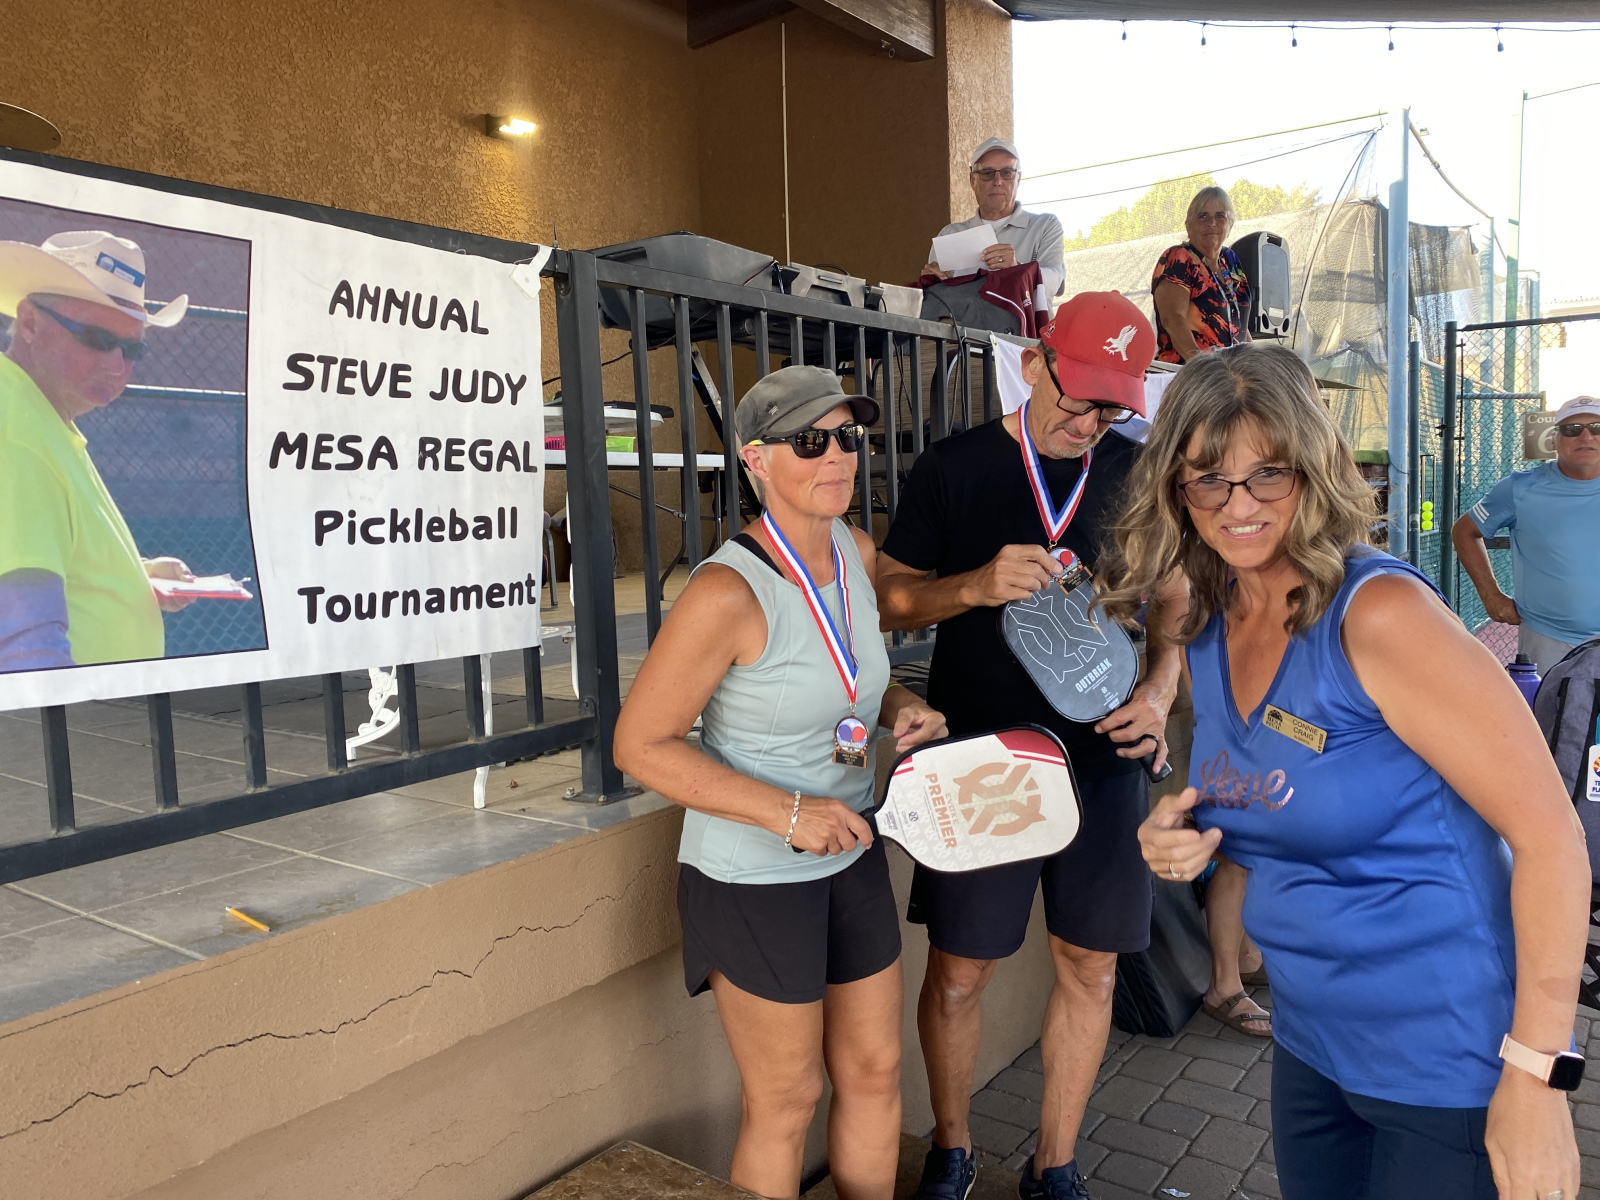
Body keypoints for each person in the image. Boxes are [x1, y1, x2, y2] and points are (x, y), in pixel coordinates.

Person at [1107, 343, 1588, 1200]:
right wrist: (1182, 834)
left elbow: (1552, 838)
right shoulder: (1212, 620)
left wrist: (1536, 1073)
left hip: (1449, 1055)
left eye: (1268, 473)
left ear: (1315, 467)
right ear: (1176, 487)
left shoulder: (1380, 614)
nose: (1238, 504)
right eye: (1208, 478)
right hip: (1312, 1042)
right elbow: (1268, 791)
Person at [614, 365, 948, 1200]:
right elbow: (639, 745)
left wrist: (898, 707)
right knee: (787, 1099)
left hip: (851, 851)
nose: (836, 455)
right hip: (755, 874)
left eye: (847, 437)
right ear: (755, 460)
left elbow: (847, 680)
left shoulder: (855, 551)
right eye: (809, 440)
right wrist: (787, 811)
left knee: (874, 1070)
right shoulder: (726, 590)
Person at [877, 292, 1181, 1200]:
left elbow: (1177, 600)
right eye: (1078, 400)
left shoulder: (1139, 474)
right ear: (1034, 363)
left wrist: (1160, 692)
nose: (1088, 425)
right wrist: (971, 586)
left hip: (1105, 761)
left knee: (1091, 968)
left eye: (1110, 411)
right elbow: (890, 598)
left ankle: (1055, 1167)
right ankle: (953, 1150)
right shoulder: (954, 467)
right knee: (960, 973)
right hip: (984, 759)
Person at [0, 230, 195, 672]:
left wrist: (132, 579)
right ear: (29, 323)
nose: (117, 364)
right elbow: (24, 649)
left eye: (133, 348)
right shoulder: (15, 431)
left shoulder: (37, 415)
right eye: (98, 339)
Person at [1452, 394, 1600, 672]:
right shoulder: (1520, 488)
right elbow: (1464, 531)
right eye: (1572, 429)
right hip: (1549, 638)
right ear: (1554, 440)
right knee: (1546, 703)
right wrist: (1490, 595)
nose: (1586, 436)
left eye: (1597, 428)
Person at [921, 137, 1065, 303]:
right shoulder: (949, 235)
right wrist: (932, 283)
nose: (997, 181)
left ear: (1018, 179)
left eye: (1007, 173)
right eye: (987, 173)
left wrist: (1017, 269)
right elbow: (935, 303)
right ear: (972, 180)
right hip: (965, 321)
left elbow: (1055, 282)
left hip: (1024, 321)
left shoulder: (1044, 226)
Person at [1151, 186, 1252, 364]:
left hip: (1229, 371)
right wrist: (1203, 368)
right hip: (1189, 371)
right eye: (1202, 216)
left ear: (1230, 225)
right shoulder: (1179, 258)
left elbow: (1238, 323)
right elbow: (1172, 319)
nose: (1212, 222)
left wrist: (1256, 364)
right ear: (1188, 226)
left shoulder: (1231, 260)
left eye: (1220, 216)